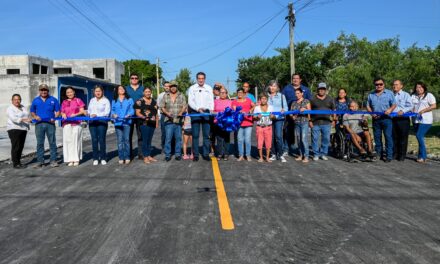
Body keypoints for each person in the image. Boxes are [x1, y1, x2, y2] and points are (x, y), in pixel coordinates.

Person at [30, 84, 60, 168]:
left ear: (48, 91)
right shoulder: (35, 100)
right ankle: (40, 161)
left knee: (52, 142)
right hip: (39, 124)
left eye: (45, 90)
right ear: (39, 91)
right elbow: (32, 111)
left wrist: (55, 117)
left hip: (50, 124)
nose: (43, 91)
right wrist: (35, 116)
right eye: (42, 90)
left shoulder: (53, 100)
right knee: (40, 143)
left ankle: (53, 160)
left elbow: (58, 111)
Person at [367, 78, 396, 162]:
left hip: (387, 119)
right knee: (377, 137)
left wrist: (390, 110)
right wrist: (372, 113)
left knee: (388, 137)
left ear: (384, 84)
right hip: (376, 119)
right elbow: (368, 106)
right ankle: (378, 154)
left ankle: (388, 156)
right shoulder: (371, 94)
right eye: (377, 84)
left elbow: (394, 104)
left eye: (380, 84)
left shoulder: (389, 93)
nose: (378, 86)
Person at [282, 73, 312, 156]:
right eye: (294, 78)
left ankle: (303, 153)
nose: (295, 80)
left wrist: (310, 119)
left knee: (302, 137)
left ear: (300, 80)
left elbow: (309, 103)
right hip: (289, 115)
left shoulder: (306, 89)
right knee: (288, 132)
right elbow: (282, 100)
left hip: (303, 118)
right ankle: (286, 149)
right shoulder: (286, 88)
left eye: (297, 78)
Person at [187, 72, 214, 161]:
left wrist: (211, 109)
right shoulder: (192, 88)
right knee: (195, 135)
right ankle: (196, 155)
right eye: (199, 78)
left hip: (206, 113)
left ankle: (206, 154)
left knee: (206, 135)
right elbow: (190, 101)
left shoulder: (209, 88)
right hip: (195, 112)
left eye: (202, 78)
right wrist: (198, 109)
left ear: (204, 79)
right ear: (197, 79)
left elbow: (211, 100)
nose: (201, 80)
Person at [160, 81, 186, 162]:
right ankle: (168, 155)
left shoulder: (181, 95)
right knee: (168, 138)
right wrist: (167, 113)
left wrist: (181, 112)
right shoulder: (165, 96)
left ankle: (178, 154)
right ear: (170, 87)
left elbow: (185, 106)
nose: (173, 87)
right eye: (172, 86)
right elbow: (162, 107)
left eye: (175, 86)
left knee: (178, 138)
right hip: (169, 120)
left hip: (178, 121)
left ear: (177, 87)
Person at [411, 82, 437, 163]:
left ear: (424, 88)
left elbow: (434, 106)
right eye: (417, 87)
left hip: (426, 120)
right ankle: (421, 156)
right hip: (415, 120)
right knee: (420, 138)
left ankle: (423, 156)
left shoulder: (429, 95)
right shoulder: (413, 96)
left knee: (419, 136)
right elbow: (410, 106)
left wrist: (423, 110)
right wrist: (411, 110)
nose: (419, 89)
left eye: (421, 87)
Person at [60, 87, 86, 167]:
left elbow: (82, 111)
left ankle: (76, 159)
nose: (69, 94)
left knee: (76, 141)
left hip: (76, 123)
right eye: (67, 92)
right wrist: (63, 114)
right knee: (68, 141)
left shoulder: (78, 100)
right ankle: (69, 159)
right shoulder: (64, 102)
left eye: (70, 92)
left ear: (74, 92)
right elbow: (62, 111)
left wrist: (75, 114)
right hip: (66, 123)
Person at [310, 82, 335, 161]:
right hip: (315, 122)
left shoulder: (330, 99)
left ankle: (323, 153)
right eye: (320, 89)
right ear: (317, 89)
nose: (321, 90)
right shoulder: (312, 99)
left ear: (325, 90)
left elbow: (334, 110)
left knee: (326, 139)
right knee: (315, 139)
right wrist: (309, 120)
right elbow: (309, 110)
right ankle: (316, 154)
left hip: (327, 123)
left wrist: (334, 120)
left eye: (323, 89)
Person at [135, 87, 159, 164]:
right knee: (145, 140)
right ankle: (145, 156)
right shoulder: (139, 101)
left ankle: (149, 155)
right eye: (146, 92)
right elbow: (137, 112)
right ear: (143, 93)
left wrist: (157, 123)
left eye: (149, 91)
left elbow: (156, 113)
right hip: (144, 123)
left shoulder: (154, 101)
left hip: (152, 123)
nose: (148, 93)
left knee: (149, 140)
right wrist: (143, 117)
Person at [88, 85, 111, 165]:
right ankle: (95, 158)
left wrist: (96, 115)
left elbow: (107, 113)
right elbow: (89, 111)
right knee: (94, 140)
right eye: (96, 91)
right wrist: (90, 114)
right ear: (94, 92)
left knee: (101, 140)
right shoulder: (92, 100)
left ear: (102, 92)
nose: (98, 92)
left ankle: (103, 157)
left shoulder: (106, 101)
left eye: (99, 91)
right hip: (92, 122)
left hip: (102, 122)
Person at [111, 85, 134, 165]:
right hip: (117, 123)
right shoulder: (114, 100)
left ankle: (127, 157)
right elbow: (112, 110)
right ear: (117, 91)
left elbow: (132, 109)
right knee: (120, 141)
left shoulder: (129, 99)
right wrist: (113, 115)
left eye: (123, 88)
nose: (122, 90)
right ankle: (121, 157)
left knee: (127, 140)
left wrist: (129, 114)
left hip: (126, 122)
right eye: (120, 89)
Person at [7, 94, 30, 169]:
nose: (17, 101)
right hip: (14, 129)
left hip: (23, 129)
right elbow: (13, 118)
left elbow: (27, 115)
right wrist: (24, 119)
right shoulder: (10, 108)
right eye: (15, 99)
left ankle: (18, 162)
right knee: (16, 146)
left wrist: (30, 120)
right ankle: (15, 163)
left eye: (18, 99)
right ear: (12, 100)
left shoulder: (23, 107)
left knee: (21, 146)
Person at [232, 88, 255, 161]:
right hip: (239, 124)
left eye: (241, 92)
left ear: (244, 93)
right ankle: (241, 155)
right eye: (238, 92)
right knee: (240, 140)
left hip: (248, 122)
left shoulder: (248, 100)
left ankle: (248, 155)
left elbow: (254, 105)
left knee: (247, 140)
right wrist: (239, 111)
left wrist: (251, 110)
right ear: (237, 93)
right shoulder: (234, 101)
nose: (240, 94)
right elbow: (234, 110)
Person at [268, 80, 288, 162]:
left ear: (277, 88)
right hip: (269, 119)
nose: (272, 87)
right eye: (271, 86)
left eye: (274, 86)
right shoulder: (266, 96)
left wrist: (283, 111)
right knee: (271, 137)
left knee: (278, 136)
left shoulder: (282, 96)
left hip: (279, 119)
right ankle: (273, 154)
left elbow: (286, 108)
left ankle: (280, 154)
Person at [392, 80, 413, 161]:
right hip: (393, 119)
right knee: (394, 137)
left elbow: (410, 106)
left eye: (396, 84)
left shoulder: (406, 95)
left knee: (403, 138)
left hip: (403, 119)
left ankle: (402, 155)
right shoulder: (391, 95)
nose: (394, 86)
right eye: (393, 85)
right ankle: (395, 154)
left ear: (401, 86)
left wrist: (403, 111)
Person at [126, 73, 144, 160]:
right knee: (128, 135)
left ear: (138, 79)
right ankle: (129, 154)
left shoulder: (142, 88)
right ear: (130, 79)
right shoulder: (126, 89)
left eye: (136, 78)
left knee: (140, 135)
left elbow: (147, 99)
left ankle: (141, 153)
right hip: (129, 115)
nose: (134, 79)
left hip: (140, 115)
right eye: (132, 78)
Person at [290, 89, 311, 163]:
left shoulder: (306, 101)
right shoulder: (294, 103)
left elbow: (310, 111)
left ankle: (306, 156)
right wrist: (292, 117)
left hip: (305, 122)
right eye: (296, 93)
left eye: (298, 93)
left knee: (304, 139)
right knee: (299, 140)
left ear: (302, 93)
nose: (297, 95)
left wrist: (305, 109)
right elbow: (290, 113)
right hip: (297, 123)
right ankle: (301, 155)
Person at [253, 93, 274, 162]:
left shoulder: (271, 107)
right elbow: (254, 117)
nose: (263, 100)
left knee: (268, 143)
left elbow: (274, 116)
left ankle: (267, 157)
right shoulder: (257, 108)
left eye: (265, 99)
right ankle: (261, 157)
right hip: (260, 127)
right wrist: (257, 117)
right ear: (260, 100)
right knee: (260, 143)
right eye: (262, 99)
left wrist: (272, 116)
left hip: (268, 127)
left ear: (267, 100)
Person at [213, 86, 232, 161]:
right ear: (219, 93)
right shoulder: (215, 101)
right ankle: (220, 153)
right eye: (221, 92)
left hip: (227, 123)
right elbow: (212, 111)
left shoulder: (230, 102)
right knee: (219, 139)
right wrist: (219, 113)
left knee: (226, 138)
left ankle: (226, 154)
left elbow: (232, 112)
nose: (222, 94)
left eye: (224, 93)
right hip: (218, 122)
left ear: (226, 94)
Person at [157, 81, 171, 152]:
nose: (167, 87)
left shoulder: (173, 94)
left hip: (172, 116)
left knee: (172, 132)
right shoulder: (160, 95)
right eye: (165, 86)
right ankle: (163, 147)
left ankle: (172, 147)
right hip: (163, 115)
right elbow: (158, 105)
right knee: (164, 132)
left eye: (168, 86)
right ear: (164, 87)